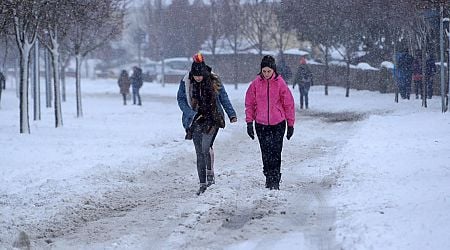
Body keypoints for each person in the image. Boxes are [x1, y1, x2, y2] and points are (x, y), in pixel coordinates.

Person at [177, 53, 237, 195]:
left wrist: (231, 114)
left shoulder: (214, 80)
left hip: (212, 118)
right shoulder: (186, 82)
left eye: (200, 75)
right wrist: (192, 115)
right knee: (199, 152)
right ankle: (202, 183)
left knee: (205, 148)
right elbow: (181, 100)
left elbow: (223, 97)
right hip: (195, 120)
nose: (198, 78)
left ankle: (210, 177)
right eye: (195, 75)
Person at [245, 55, 295, 190]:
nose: (266, 74)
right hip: (261, 124)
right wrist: (249, 123)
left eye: (269, 71)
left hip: (278, 123)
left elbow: (289, 104)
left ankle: (275, 179)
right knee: (266, 151)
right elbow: (249, 104)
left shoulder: (280, 84)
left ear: (274, 70)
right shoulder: (255, 84)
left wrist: (290, 124)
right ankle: (268, 176)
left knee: (276, 151)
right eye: (264, 71)